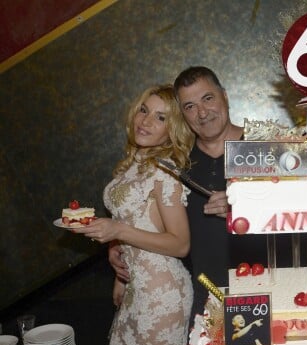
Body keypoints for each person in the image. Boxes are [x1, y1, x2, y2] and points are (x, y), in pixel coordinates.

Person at [110, 67, 270, 320]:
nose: (202, 113)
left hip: (266, 289)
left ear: (225, 96)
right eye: (190, 106)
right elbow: (154, 223)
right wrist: (119, 248)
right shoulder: (177, 163)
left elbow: (305, 211)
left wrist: (247, 207)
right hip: (205, 296)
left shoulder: (265, 148)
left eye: (208, 98)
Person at [75, 84, 194, 345]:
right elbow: (133, 222)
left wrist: (118, 231)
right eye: (144, 110)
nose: (146, 121)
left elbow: (180, 243)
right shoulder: (134, 164)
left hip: (162, 296)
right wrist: (118, 266)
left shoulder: (164, 172)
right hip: (135, 290)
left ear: (174, 129)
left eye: (161, 118)